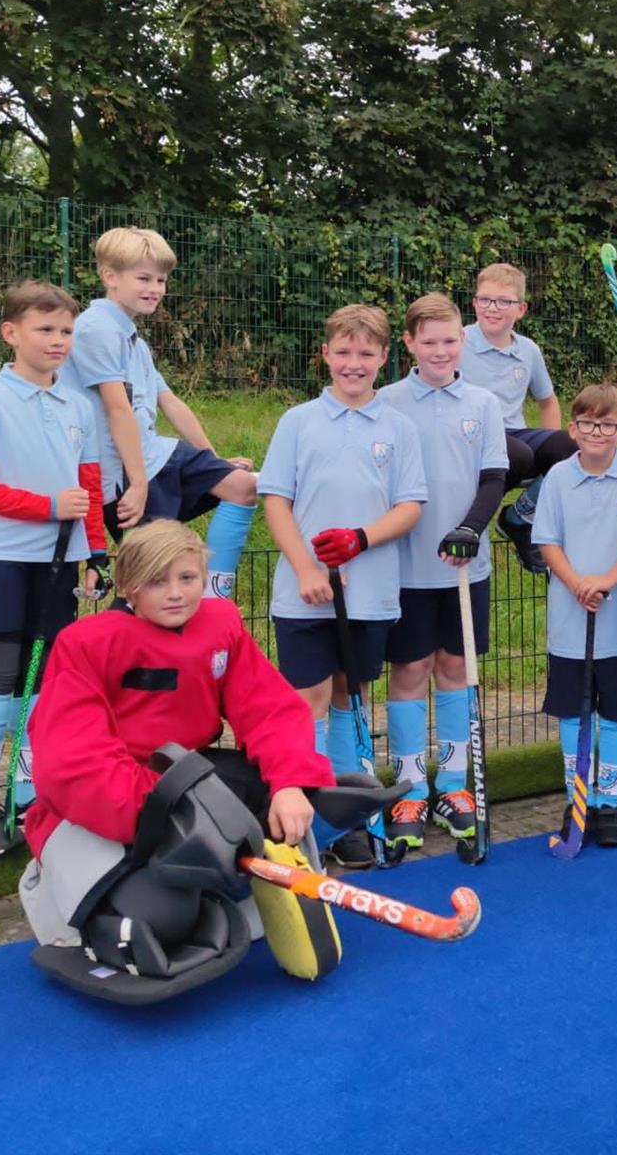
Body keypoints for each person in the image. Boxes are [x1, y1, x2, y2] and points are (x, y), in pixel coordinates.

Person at [18, 521, 401, 1004]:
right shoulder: (86, 642)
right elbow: (73, 760)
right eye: (157, 581)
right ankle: (108, 900)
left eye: (187, 578)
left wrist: (289, 783)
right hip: (101, 809)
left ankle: (255, 860)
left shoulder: (220, 627)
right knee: (165, 918)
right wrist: (169, 819)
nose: (176, 594)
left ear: (203, 576)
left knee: (288, 801)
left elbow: (268, 709)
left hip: (186, 776)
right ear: (129, 586)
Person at [258, 302, 426, 868]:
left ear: (384, 357)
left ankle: (346, 819)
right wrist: (307, 569)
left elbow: (409, 507)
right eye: (344, 352)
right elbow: (276, 500)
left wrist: (360, 539)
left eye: (366, 353)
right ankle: (303, 818)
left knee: (349, 696)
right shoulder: (297, 421)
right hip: (303, 593)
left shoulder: (398, 428)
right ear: (326, 354)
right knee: (305, 700)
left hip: (370, 593)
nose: (354, 363)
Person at [0, 280, 107, 854]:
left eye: (66, 331)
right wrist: (46, 508)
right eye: (45, 329)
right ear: (11, 333)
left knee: (42, 684)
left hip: (58, 564)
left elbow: (88, 488)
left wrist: (95, 553)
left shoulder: (80, 406)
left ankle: (28, 794)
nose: (58, 340)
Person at [376, 293, 510, 859]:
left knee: (456, 667)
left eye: (450, 340)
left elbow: (494, 477)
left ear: (463, 341)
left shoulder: (483, 402)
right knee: (410, 669)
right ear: (409, 343)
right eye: (428, 341)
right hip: (405, 567)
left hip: (464, 565)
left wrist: (470, 529)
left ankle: (454, 786)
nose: (440, 350)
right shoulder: (386, 401)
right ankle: (409, 790)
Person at [58, 226, 257, 598]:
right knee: (154, 581)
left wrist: (212, 458)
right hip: (121, 471)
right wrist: (138, 485)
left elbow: (170, 402)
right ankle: (127, 628)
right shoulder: (96, 330)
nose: (155, 288)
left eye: (161, 280)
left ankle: (215, 601)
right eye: (144, 278)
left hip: (155, 454)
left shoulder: (135, 341)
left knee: (241, 486)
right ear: (111, 277)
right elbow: (118, 410)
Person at [531, 384, 617, 846]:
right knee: (573, 712)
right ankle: (578, 799)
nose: (596, 432)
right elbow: (547, 541)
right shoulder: (557, 478)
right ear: (572, 429)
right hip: (571, 620)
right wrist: (576, 583)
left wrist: (607, 579)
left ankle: (609, 802)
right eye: (587, 423)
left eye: (607, 425)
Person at [463, 262, 576, 574]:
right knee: (518, 454)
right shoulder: (458, 342)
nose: (492, 308)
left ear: (521, 309)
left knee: (571, 446)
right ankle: (479, 509)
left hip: (515, 433)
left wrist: (552, 455)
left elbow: (547, 400)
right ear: (474, 303)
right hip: (473, 436)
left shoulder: (528, 350)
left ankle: (518, 518)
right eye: (485, 299)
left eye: (504, 301)